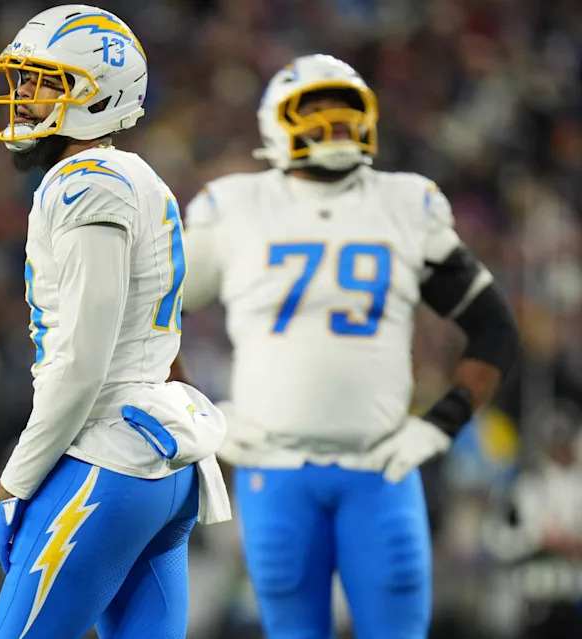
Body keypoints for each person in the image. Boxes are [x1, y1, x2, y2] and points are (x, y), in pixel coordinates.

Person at [175, 53, 520, 639]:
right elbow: (149, 316)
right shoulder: (234, 206)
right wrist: (195, 416)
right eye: (316, 113)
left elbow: (494, 328)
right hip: (273, 466)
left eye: (345, 113)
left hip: (380, 464)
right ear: (275, 124)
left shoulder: (405, 203)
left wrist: (440, 423)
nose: (334, 125)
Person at [0, 5, 231, 638]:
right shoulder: (137, 177)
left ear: (94, 94)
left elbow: (82, 362)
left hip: (108, 461)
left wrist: (13, 485)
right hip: (161, 462)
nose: (24, 96)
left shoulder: (83, 184)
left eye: (43, 81)